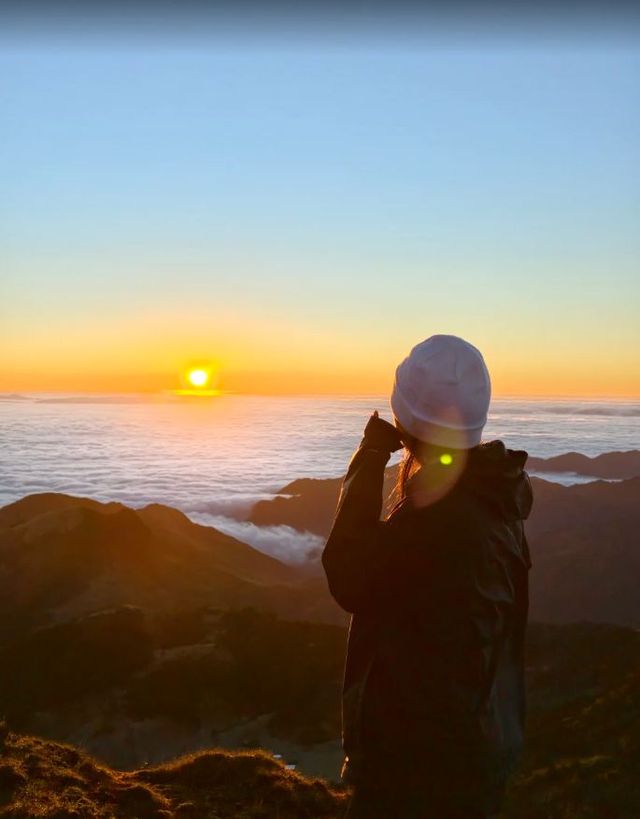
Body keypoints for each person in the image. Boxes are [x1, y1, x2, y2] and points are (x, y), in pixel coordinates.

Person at [322, 335, 533, 819]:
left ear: (405, 417)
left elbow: (348, 575)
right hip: (480, 751)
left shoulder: (436, 521)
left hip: (417, 769)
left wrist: (370, 456)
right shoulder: (499, 501)